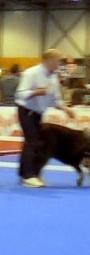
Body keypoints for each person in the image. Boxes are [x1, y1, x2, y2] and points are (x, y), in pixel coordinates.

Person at [15, 49, 75, 187]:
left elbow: (55, 99)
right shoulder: (31, 73)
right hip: (27, 111)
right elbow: (20, 94)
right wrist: (37, 92)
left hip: (38, 113)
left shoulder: (54, 77)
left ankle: (24, 173)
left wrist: (66, 109)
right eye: (58, 60)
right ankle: (29, 176)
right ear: (49, 60)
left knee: (34, 142)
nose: (59, 63)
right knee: (33, 142)